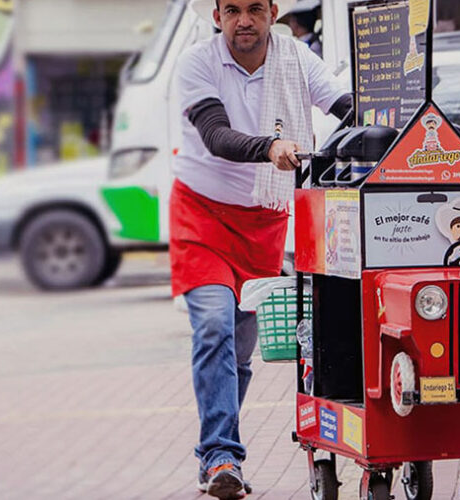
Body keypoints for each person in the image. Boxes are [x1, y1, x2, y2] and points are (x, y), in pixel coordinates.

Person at [173, 1, 352, 498]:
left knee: (238, 347)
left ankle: (218, 445)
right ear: (217, 15)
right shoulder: (197, 63)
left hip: (262, 220)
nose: (244, 20)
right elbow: (215, 135)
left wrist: (387, 115)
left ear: (273, 12)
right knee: (213, 325)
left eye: (255, 8)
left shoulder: (297, 58)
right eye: (232, 10)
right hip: (202, 215)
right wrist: (268, 147)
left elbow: (345, 107)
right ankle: (221, 456)